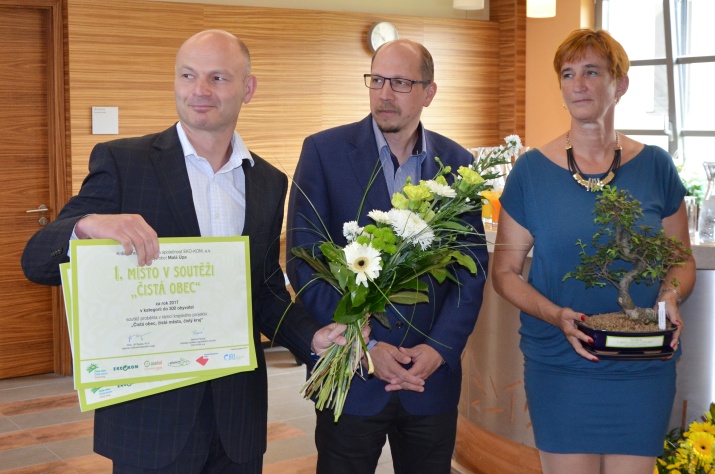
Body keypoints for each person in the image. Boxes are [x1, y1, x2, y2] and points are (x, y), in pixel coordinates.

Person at [21, 29, 360, 474]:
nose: (199, 90)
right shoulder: (124, 162)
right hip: (151, 418)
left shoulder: (268, 181)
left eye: (218, 77)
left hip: (237, 417)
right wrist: (86, 225)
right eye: (187, 75)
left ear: (248, 89)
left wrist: (311, 337)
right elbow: (36, 261)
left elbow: (262, 290)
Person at [491, 29, 696, 474]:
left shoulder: (656, 166)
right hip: (561, 363)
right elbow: (504, 272)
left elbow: (680, 259)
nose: (578, 85)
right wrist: (554, 315)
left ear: (620, 84)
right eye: (568, 74)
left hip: (643, 363)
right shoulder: (530, 172)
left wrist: (669, 298)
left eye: (591, 72)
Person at [286, 39, 488, 474]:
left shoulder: (457, 162)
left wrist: (440, 348)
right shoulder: (323, 152)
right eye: (376, 80)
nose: (384, 94)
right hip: (351, 375)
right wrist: (367, 346)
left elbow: (470, 273)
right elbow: (304, 260)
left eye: (400, 83)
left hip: (428, 379)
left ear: (429, 92)